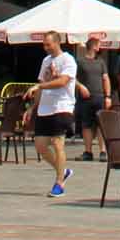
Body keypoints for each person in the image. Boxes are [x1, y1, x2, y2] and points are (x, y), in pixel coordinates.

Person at [28, 30, 77, 198]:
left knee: (58, 144)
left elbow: (63, 81)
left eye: (48, 44)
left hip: (62, 107)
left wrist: (40, 87)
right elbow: (41, 83)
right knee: (40, 146)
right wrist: (32, 108)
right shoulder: (46, 61)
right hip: (45, 108)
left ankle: (59, 183)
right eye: (44, 44)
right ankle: (63, 171)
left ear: (57, 42)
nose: (46, 47)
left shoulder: (68, 60)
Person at [73, 37, 109, 162]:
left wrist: (108, 96)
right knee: (86, 125)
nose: (100, 48)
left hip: (99, 96)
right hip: (85, 98)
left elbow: (106, 79)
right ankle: (88, 151)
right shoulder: (80, 62)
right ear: (93, 46)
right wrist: (81, 87)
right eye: (99, 45)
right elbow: (73, 78)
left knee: (101, 125)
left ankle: (103, 151)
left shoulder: (101, 62)